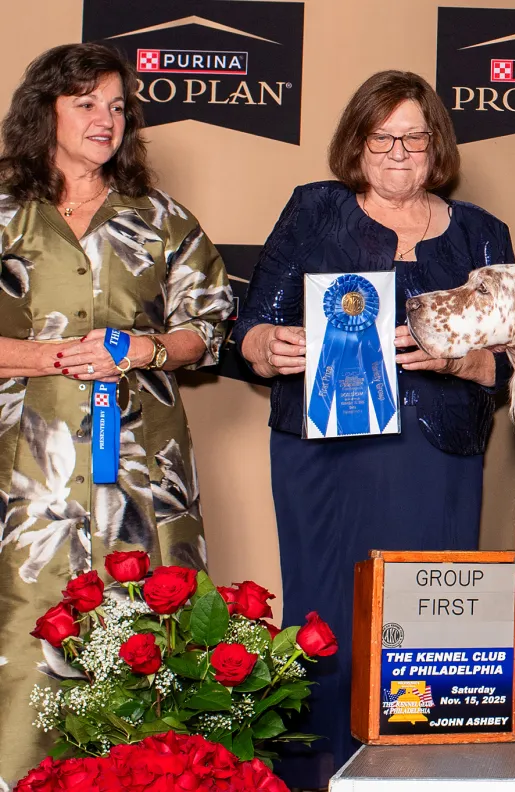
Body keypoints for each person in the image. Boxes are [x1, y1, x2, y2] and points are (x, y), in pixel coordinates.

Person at [234, 70, 513, 786]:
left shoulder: (482, 234)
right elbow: (251, 327)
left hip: (437, 456)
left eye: (413, 138)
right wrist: (267, 344)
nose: (396, 152)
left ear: (436, 146)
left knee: (430, 625)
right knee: (323, 617)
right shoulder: (313, 211)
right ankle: (314, 779)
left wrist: (470, 361)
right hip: (324, 456)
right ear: (355, 144)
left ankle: (425, 779)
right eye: (380, 137)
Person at [0, 43, 232, 786]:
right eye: (86, 104)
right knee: (23, 626)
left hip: (142, 469)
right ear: (47, 112)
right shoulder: (5, 215)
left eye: (117, 106)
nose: (107, 120)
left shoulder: (160, 217)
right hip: (24, 475)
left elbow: (210, 325)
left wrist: (145, 349)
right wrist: (52, 357)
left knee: (144, 626)